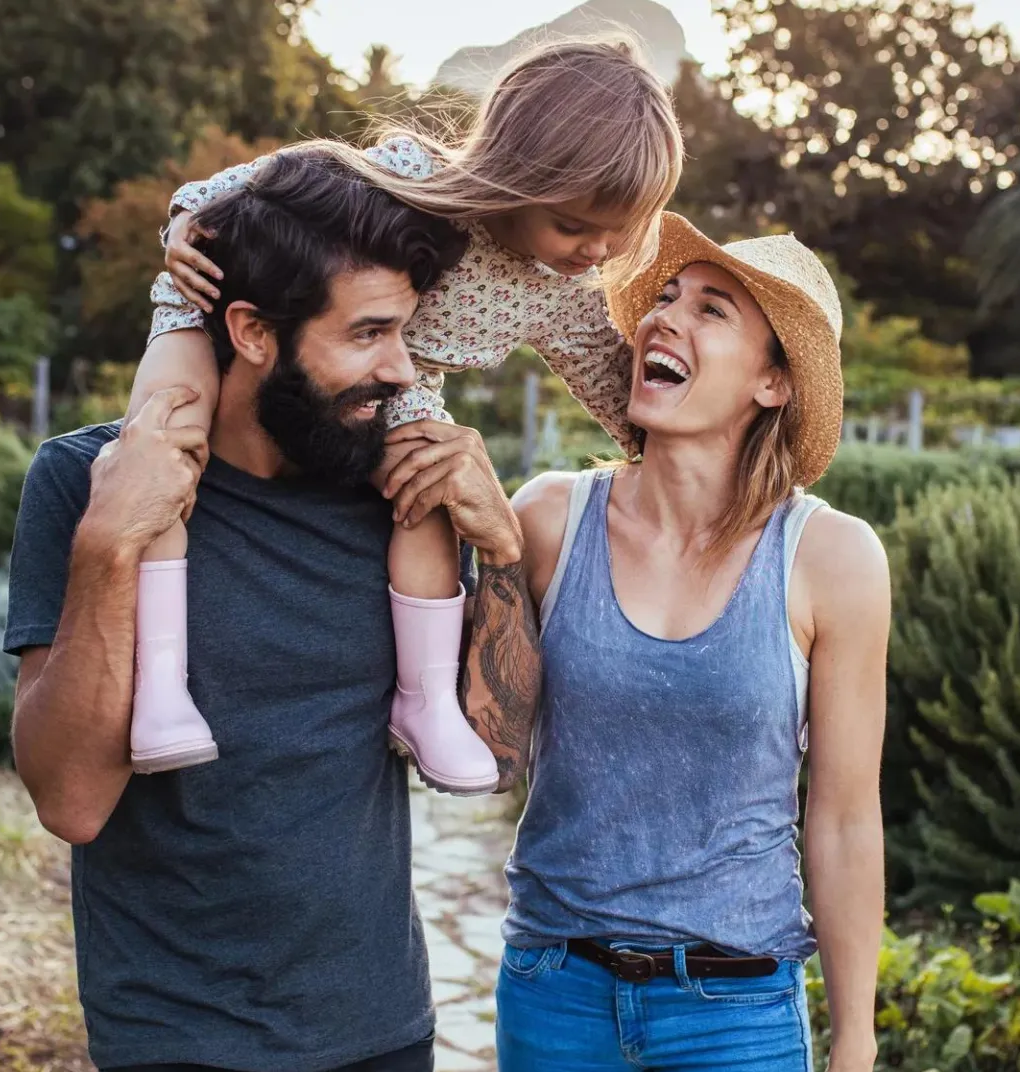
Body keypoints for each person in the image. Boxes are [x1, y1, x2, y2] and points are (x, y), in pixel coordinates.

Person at [0, 146, 543, 1072]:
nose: (400, 368)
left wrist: (499, 550)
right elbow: (73, 801)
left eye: (404, 330)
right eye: (368, 333)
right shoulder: (83, 481)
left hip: (380, 1030)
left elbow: (501, 749)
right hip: (177, 1041)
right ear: (252, 331)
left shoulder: (395, 494)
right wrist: (105, 549)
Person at [122, 35, 682, 796]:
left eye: (621, 230)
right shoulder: (410, 177)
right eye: (576, 224)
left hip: (385, 387)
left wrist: (693, 455)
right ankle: (157, 683)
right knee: (164, 439)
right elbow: (250, 184)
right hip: (216, 311)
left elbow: (615, 388)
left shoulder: (560, 289)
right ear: (514, 174)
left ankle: (421, 703)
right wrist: (188, 228)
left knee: (428, 486)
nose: (598, 249)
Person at [490, 212, 890, 1072]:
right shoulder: (550, 521)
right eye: (664, 298)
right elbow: (470, 736)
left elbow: (847, 817)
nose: (665, 319)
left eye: (713, 310)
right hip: (555, 989)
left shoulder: (831, 560)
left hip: (737, 1012)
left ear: (774, 382)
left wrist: (855, 1042)